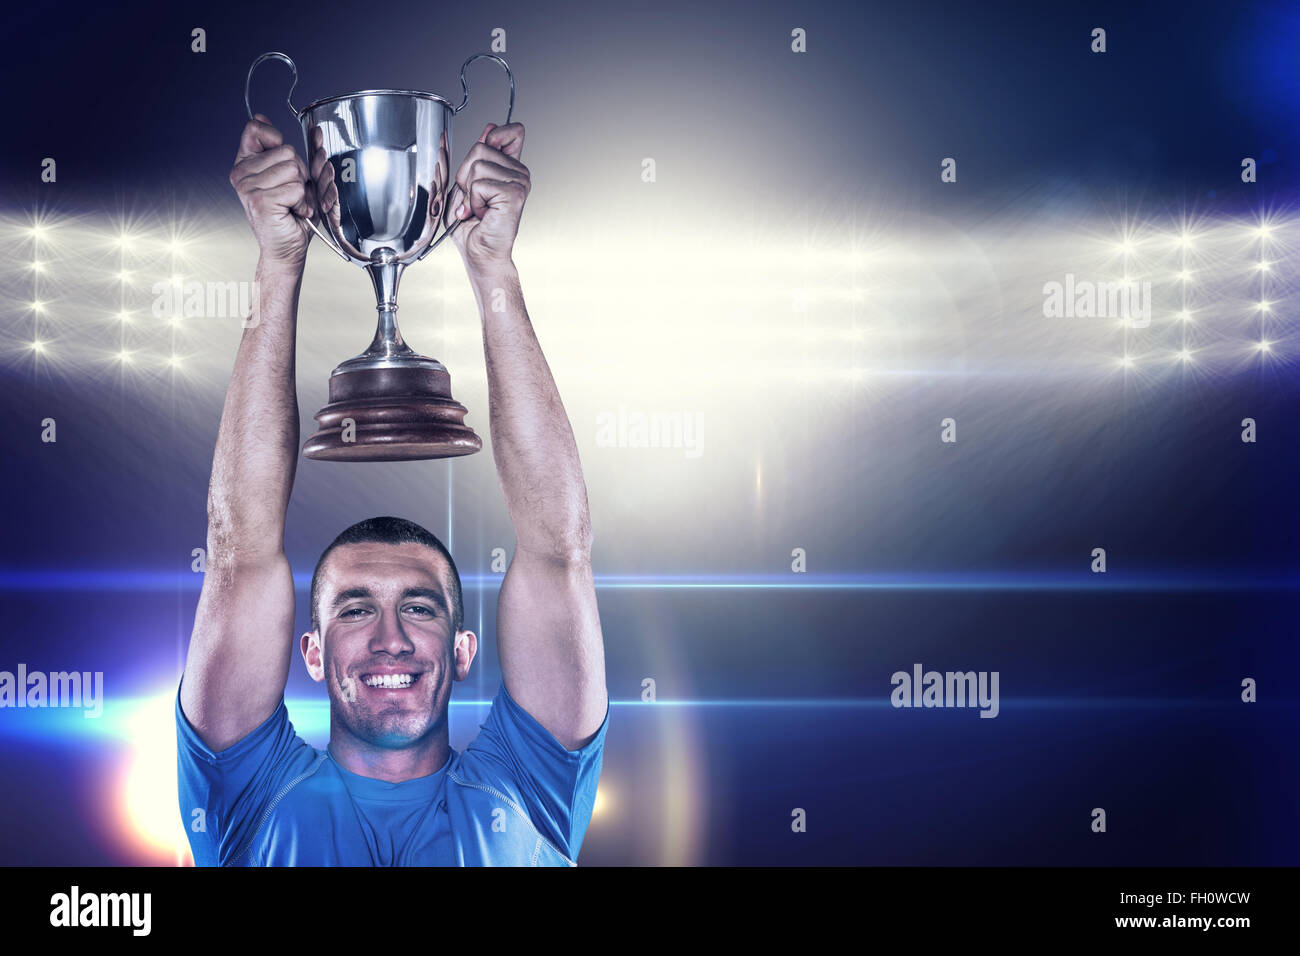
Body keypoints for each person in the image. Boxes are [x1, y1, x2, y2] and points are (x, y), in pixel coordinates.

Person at [175, 114, 608, 866]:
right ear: (308, 652)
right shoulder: (245, 797)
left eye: (419, 607)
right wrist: (279, 262)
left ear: (465, 650)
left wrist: (493, 268)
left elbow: (555, 551)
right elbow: (237, 554)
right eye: (354, 609)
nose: (390, 639)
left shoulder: (530, 790)